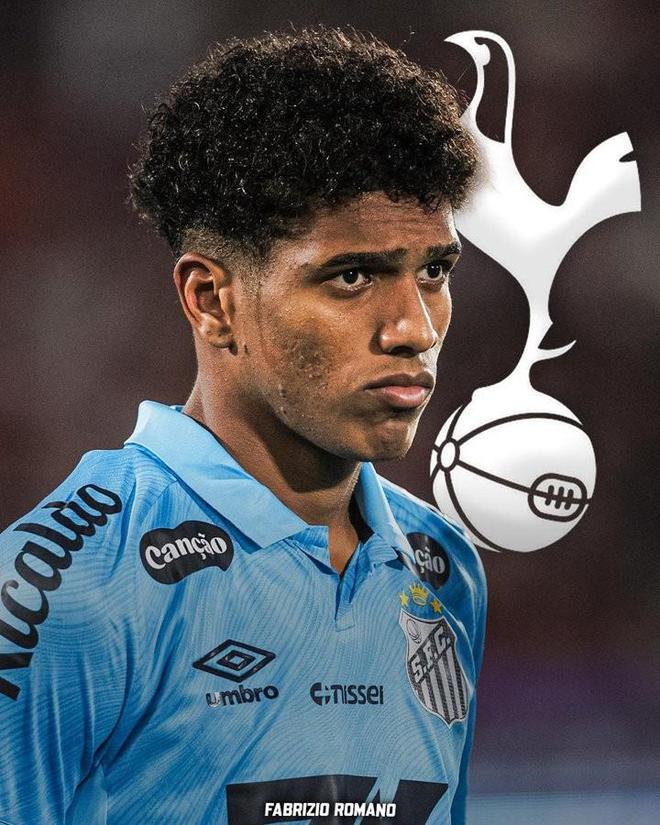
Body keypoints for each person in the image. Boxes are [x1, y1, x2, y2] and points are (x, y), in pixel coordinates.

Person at [0, 27, 485, 825]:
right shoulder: (61, 584)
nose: (414, 327)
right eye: (352, 276)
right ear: (211, 300)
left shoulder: (444, 568)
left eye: (433, 270)